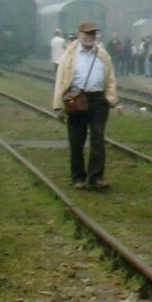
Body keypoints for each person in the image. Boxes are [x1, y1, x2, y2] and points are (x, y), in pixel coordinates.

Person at [51, 20, 122, 190]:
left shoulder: (103, 55)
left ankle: (96, 177)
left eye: (93, 33)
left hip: (98, 100)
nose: (91, 36)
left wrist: (113, 100)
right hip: (76, 100)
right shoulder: (69, 56)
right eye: (88, 33)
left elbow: (110, 79)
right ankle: (78, 177)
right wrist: (59, 107)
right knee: (76, 140)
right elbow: (60, 81)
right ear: (80, 34)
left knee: (98, 138)